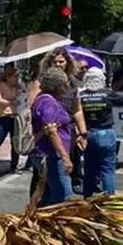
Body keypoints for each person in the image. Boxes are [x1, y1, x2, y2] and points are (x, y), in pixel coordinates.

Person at [40, 48, 87, 191]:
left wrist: (82, 133)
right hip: (49, 132)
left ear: (68, 63)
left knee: (67, 164)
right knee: (43, 176)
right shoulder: (44, 82)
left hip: (69, 131)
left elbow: (77, 110)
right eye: (55, 62)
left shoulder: (73, 84)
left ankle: (74, 183)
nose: (58, 64)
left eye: (61, 61)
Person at [79, 68, 123, 197]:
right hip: (105, 133)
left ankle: (87, 198)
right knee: (107, 170)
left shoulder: (81, 95)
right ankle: (109, 199)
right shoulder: (107, 93)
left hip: (88, 133)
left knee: (89, 169)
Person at [29, 68, 75, 205]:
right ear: (57, 86)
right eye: (65, 84)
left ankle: (37, 221)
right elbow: (51, 130)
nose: (67, 87)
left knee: (48, 194)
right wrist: (65, 157)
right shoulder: (47, 102)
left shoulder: (48, 100)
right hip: (51, 155)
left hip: (50, 154)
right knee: (63, 194)